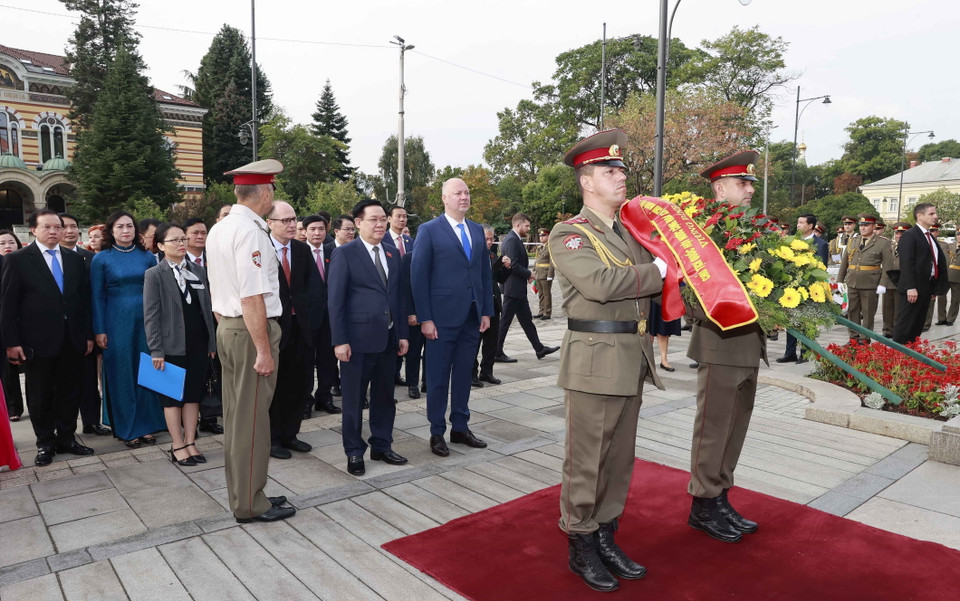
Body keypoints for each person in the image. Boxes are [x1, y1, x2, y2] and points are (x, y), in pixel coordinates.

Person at [549, 130, 666, 592]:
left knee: (618, 460)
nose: (621, 178)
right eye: (610, 172)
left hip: (630, 358)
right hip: (594, 362)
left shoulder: (630, 233)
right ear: (586, 182)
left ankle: (605, 532)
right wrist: (656, 272)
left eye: (621, 171)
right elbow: (600, 283)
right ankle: (580, 542)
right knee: (587, 461)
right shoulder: (569, 233)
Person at [206, 158, 295, 524]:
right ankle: (249, 504)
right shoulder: (252, 232)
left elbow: (220, 289)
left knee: (238, 418)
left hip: (229, 327)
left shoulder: (221, 228)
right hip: (249, 330)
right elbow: (253, 296)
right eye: (272, 188)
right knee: (253, 423)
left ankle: (247, 492)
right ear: (265, 192)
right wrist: (262, 350)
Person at [686, 150, 767, 545]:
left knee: (736, 427)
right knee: (714, 429)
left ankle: (720, 496)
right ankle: (703, 504)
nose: (750, 189)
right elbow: (689, 294)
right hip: (719, 342)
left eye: (750, 183)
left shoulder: (754, 229)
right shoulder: (701, 233)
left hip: (750, 343)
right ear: (719, 188)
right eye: (743, 183)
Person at [1, 209, 95, 466]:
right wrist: (11, 342)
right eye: (48, 227)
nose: (55, 231)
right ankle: (45, 442)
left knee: (69, 391)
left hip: (72, 338)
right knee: (39, 393)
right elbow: (8, 306)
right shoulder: (18, 259)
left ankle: (67, 438)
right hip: (36, 340)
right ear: (34, 229)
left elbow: (82, 301)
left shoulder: (74, 259)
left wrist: (87, 335)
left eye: (58, 227)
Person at [410, 178, 493, 457]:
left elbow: (484, 273)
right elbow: (418, 276)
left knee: (463, 376)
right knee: (437, 378)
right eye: (458, 193)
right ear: (444, 198)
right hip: (441, 318)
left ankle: (460, 426)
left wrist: (485, 311)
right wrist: (425, 318)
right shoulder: (429, 230)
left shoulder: (476, 230)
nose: (464, 197)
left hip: (471, 316)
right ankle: (436, 431)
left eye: (467, 192)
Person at [328, 199, 409, 476]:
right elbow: (335, 301)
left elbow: (397, 297)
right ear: (358, 223)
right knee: (353, 399)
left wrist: (402, 333)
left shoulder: (390, 252)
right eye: (373, 219)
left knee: (385, 396)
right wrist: (339, 340)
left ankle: (382, 444)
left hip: (387, 338)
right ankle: (353, 451)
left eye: (383, 219)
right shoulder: (346, 253)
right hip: (356, 341)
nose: (380, 224)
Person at [143, 223, 217, 466]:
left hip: (199, 343)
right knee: (172, 398)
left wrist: (212, 342)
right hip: (170, 345)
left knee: (193, 396)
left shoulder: (198, 271)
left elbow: (206, 309)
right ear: (161, 246)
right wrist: (156, 350)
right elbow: (151, 316)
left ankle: (191, 441)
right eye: (174, 240)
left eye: (183, 239)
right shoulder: (154, 274)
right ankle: (177, 445)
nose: (181, 243)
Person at [91, 211, 166, 447]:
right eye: (120, 227)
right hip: (116, 321)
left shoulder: (146, 257)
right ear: (111, 231)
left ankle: (148, 424)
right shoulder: (101, 259)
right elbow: (97, 295)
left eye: (130, 226)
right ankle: (127, 427)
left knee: (149, 369)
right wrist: (100, 329)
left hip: (147, 320)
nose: (126, 231)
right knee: (122, 373)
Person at [265, 201, 314, 459]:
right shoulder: (260, 251)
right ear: (269, 223)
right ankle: (273, 438)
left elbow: (313, 289)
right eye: (285, 220)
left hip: (300, 327)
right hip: (274, 326)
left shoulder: (302, 250)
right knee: (276, 385)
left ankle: (291, 433)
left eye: (294, 219)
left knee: (299, 383)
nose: (292, 224)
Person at [59, 213, 110, 436]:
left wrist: (91, 333)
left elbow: (93, 298)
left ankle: (92, 422)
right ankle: (63, 430)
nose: (70, 231)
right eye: (65, 227)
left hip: (85, 330)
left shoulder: (90, 258)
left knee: (89, 381)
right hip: (56, 333)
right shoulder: (48, 259)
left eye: (74, 226)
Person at [495, 213, 559, 363]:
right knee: (505, 321)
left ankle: (539, 348)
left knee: (526, 320)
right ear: (518, 225)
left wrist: (526, 275)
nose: (529, 229)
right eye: (527, 226)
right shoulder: (511, 240)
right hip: (512, 288)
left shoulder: (515, 239)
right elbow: (513, 265)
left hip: (517, 288)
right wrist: (529, 273)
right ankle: (496, 351)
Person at [182, 217, 222, 435]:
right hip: (188, 327)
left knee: (210, 372)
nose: (200, 236)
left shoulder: (214, 259)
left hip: (213, 322)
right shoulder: (177, 262)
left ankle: (209, 417)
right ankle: (187, 423)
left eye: (203, 233)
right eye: (195, 233)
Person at [892, 203, 949, 344]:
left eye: (935, 213)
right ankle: (897, 355)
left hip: (926, 287)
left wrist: (935, 286)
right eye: (931, 214)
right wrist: (910, 287)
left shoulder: (929, 237)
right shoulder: (910, 236)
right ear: (919, 216)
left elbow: (933, 262)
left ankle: (911, 355)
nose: (935, 217)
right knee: (905, 325)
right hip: (913, 289)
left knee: (917, 325)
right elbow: (906, 263)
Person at [301, 214, 340, 415]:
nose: (317, 233)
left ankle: (324, 397)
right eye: (313, 229)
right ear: (305, 231)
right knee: (307, 361)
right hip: (307, 318)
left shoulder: (333, 252)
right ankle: (306, 400)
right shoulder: (298, 253)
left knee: (328, 359)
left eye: (321, 229)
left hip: (330, 317)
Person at [777, 214, 830, 362]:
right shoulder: (792, 241)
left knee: (806, 321)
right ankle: (790, 353)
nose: (798, 225)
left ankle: (805, 353)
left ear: (810, 226)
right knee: (791, 320)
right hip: (793, 286)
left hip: (810, 288)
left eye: (801, 223)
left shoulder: (820, 244)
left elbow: (822, 268)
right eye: (798, 222)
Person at [837, 215, 894, 343]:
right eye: (861, 225)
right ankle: (853, 337)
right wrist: (840, 279)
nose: (863, 228)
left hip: (870, 283)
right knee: (852, 311)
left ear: (873, 227)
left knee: (868, 313)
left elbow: (888, 265)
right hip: (852, 281)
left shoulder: (883, 242)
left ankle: (864, 338)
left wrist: (883, 283)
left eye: (866, 225)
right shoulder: (854, 240)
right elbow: (845, 261)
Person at [473, 225, 511, 386]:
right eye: (486, 238)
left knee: (491, 342)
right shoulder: (472, 256)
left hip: (494, 303)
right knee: (475, 342)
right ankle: (471, 373)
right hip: (478, 306)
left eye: (491, 238)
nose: (489, 242)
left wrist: (507, 268)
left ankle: (487, 372)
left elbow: (500, 279)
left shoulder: (492, 255)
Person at [387, 206, 414, 386]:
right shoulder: (382, 240)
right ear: (389, 218)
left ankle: (398, 375)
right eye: (398, 216)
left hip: (409, 298)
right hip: (390, 299)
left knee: (405, 339)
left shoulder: (410, 241)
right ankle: (390, 375)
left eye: (405, 216)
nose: (402, 219)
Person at [0, 230, 24, 422]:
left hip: (25, 324)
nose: (7, 246)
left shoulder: (23, 264)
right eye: (2, 243)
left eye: (11, 242)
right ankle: (12, 407)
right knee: (7, 370)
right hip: (4, 324)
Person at [880, 222, 911, 338]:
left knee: (899, 308)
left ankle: (897, 329)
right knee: (887, 308)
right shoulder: (890, 246)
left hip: (901, 281)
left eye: (902, 233)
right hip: (888, 280)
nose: (899, 235)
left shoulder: (910, 247)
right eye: (897, 233)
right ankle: (887, 329)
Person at [923, 224, 950, 329]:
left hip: (935, 275)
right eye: (930, 230)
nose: (931, 232)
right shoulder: (922, 242)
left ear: (937, 232)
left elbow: (945, 262)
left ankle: (926, 323)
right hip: (923, 274)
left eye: (934, 231)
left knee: (931, 300)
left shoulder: (942, 245)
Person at [533, 228, 555, 320]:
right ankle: (541, 310)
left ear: (548, 236)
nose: (541, 238)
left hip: (546, 274)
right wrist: (534, 270)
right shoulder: (540, 247)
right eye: (540, 236)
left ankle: (547, 312)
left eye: (543, 236)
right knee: (541, 294)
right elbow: (537, 260)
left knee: (546, 294)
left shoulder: (550, 247)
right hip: (539, 273)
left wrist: (550, 275)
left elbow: (552, 262)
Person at [945, 234, 959, 326]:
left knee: (955, 299)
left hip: (958, 278)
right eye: (958, 234)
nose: (959, 236)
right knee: (941, 297)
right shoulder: (950, 246)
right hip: (946, 276)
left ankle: (950, 319)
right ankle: (942, 317)